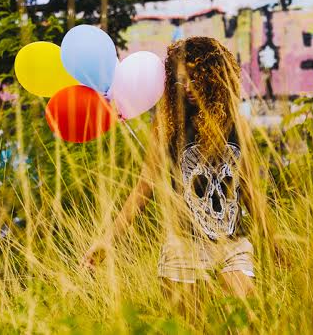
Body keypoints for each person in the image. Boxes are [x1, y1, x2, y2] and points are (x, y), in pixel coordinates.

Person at [84, 36, 274, 303]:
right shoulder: (166, 125)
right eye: (181, 79)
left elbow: (250, 191)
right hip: (182, 246)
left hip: (232, 243)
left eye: (195, 78)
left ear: (215, 78)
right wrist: (107, 240)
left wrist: (274, 242)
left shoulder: (236, 124)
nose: (186, 86)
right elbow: (143, 188)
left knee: (247, 318)